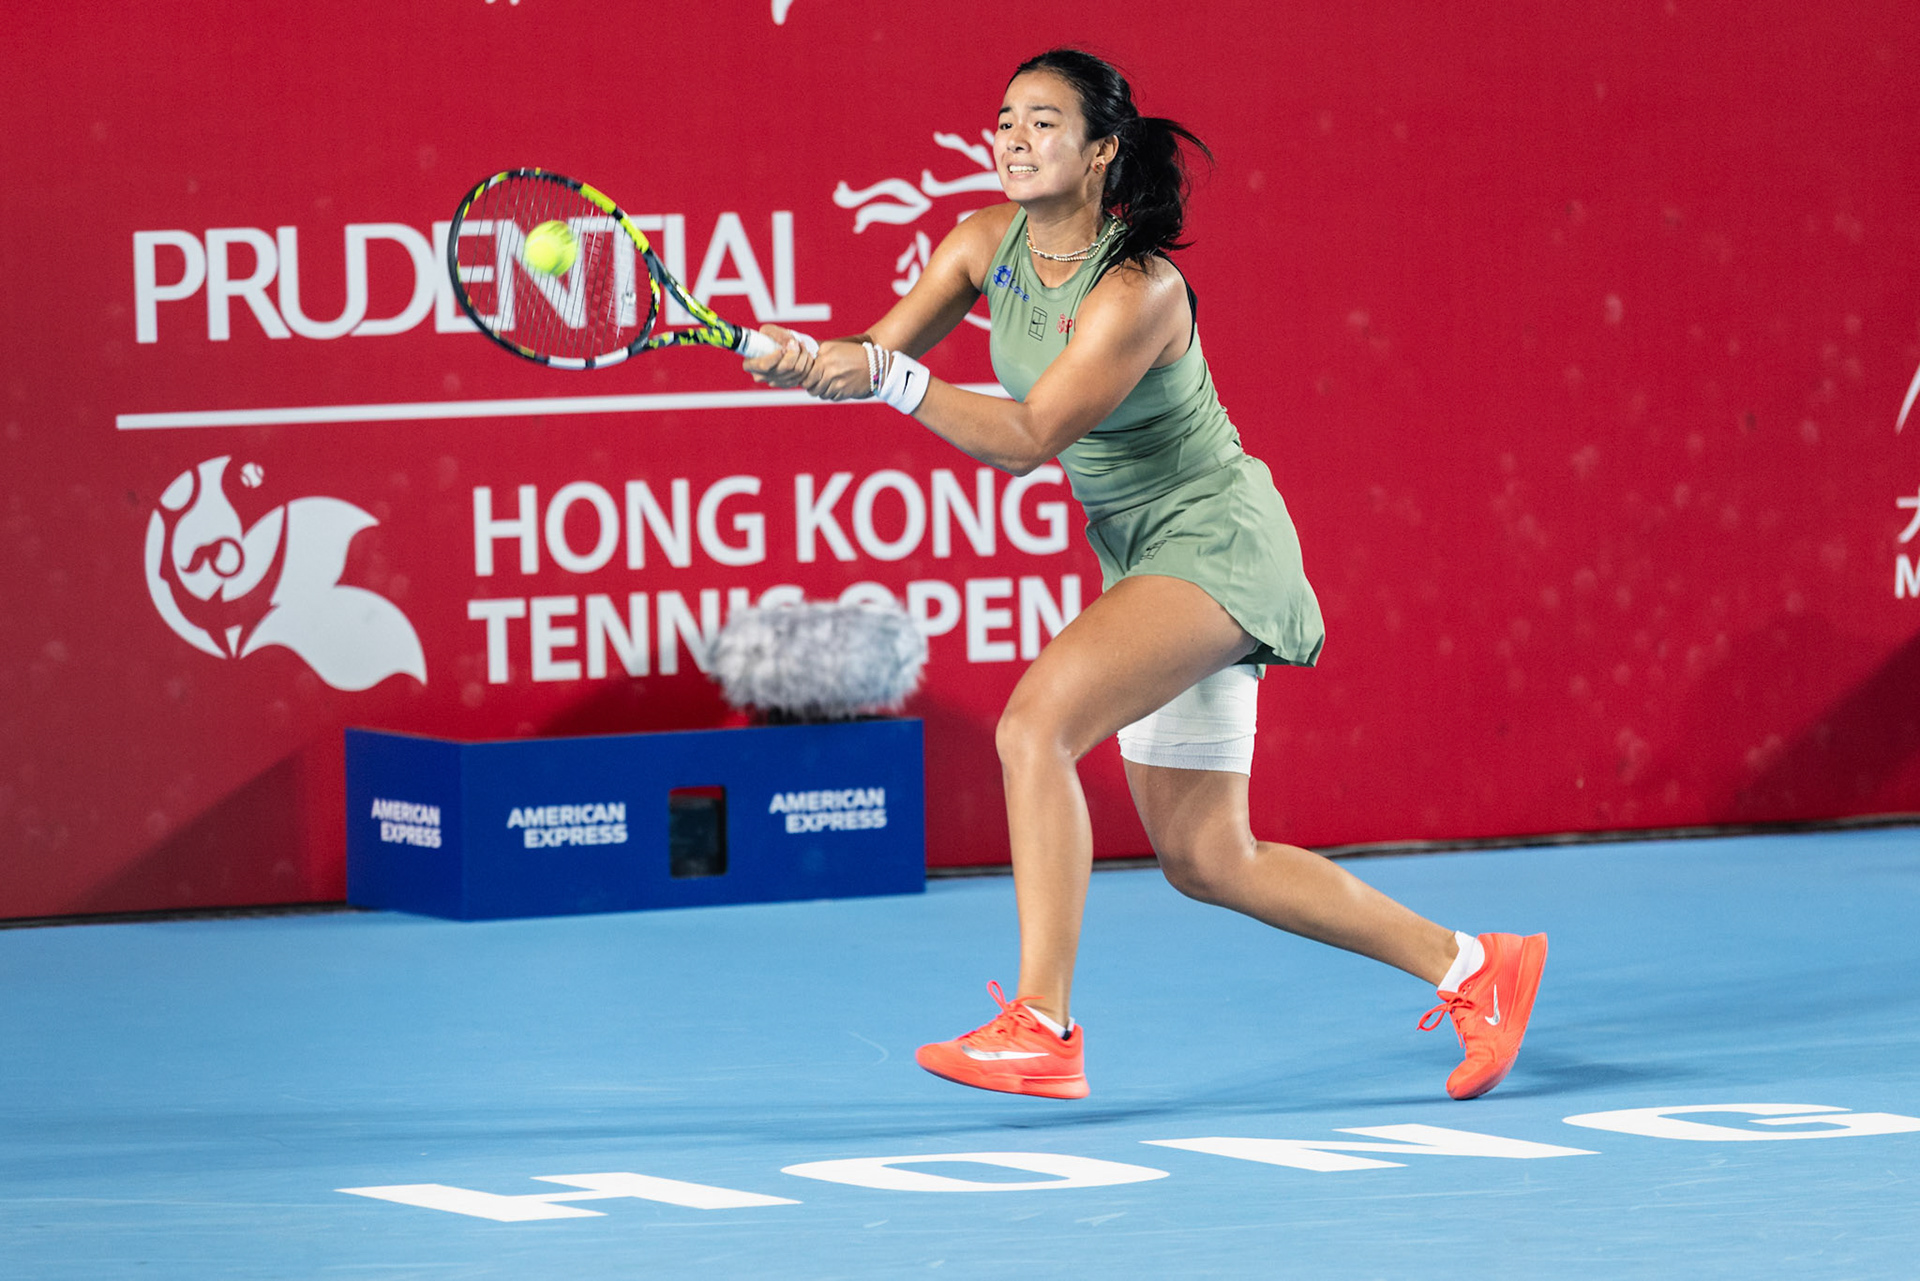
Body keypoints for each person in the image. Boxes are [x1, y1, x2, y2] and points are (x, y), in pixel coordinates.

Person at [747, 48, 1545, 1102]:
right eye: (1004, 120)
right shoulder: (983, 244)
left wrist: (889, 377)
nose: (1015, 138)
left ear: (1100, 151)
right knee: (1211, 858)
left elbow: (1030, 434)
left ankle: (1043, 1025)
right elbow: (877, 357)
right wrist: (808, 359)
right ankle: (1478, 968)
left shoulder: (1139, 290)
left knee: (1034, 727)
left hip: (1216, 544)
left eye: (1043, 122)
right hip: (1142, 553)